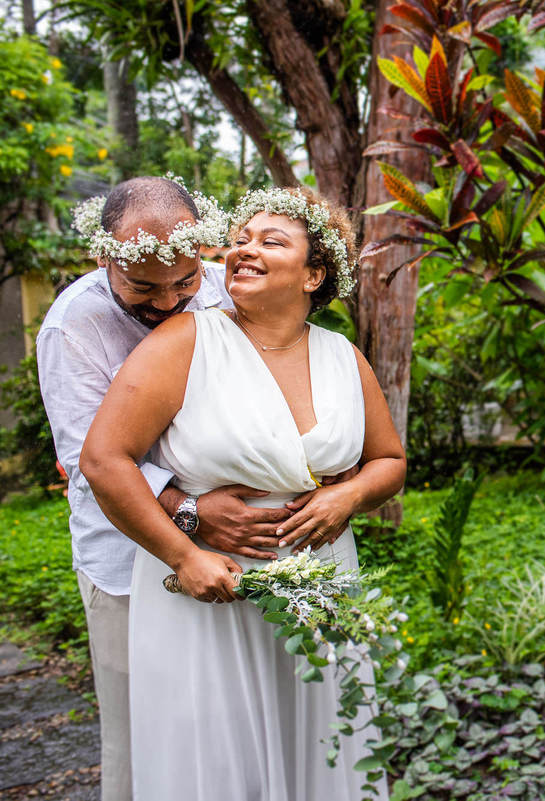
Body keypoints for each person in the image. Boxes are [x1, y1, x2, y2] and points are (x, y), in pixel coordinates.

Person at [80, 186, 407, 801]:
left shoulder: (343, 357)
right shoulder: (184, 341)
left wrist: (348, 497)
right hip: (207, 591)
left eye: (270, 241)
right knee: (218, 760)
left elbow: (389, 461)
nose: (242, 251)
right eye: (238, 240)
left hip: (320, 585)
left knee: (319, 736)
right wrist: (184, 555)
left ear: (314, 274)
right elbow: (103, 460)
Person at [36, 176, 306, 801]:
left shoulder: (220, 290)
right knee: (141, 736)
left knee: (229, 725)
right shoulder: (72, 328)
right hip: (125, 561)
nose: (167, 302)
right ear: (102, 255)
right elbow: (88, 461)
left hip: (238, 552)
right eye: (143, 287)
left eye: (182, 282)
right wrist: (189, 514)